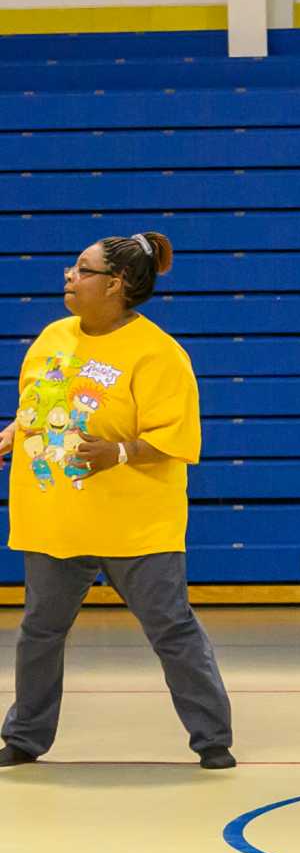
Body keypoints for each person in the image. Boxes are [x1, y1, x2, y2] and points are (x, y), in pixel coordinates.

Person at [0, 232, 234, 769]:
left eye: (82, 270)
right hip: (57, 516)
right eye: (73, 267)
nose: (68, 276)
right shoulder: (52, 338)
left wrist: (121, 453)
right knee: (39, 630)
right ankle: (26, 736)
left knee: (171, 628)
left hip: (136, 524)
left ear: (116, 284)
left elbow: (177, 437)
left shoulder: (157, 353)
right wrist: (14, 431)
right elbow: (40, 404)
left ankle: (212, 737)